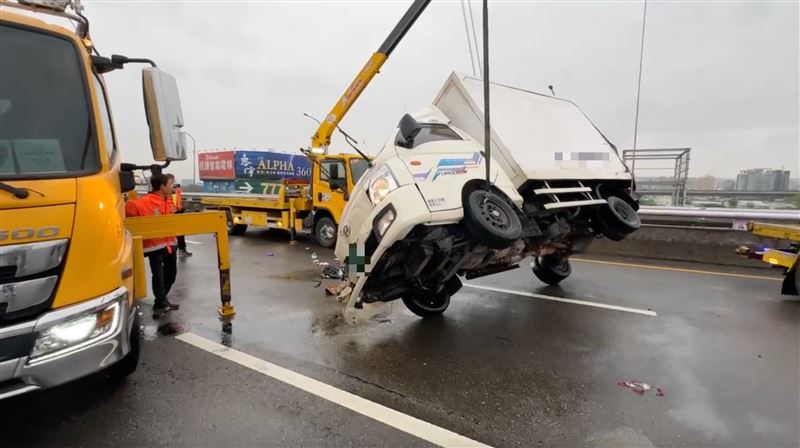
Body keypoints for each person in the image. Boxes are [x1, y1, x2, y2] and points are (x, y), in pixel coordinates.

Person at [125, 173, 180, 317]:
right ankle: (159, 304)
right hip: (154, 245)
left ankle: (162, 300)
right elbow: (126, 211)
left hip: (170, 244)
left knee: (171, 275)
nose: (172, 187)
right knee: (158, 277)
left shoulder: (169, 201)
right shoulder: (143, 202)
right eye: (170, 184)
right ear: (162, 187)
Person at [166, 173, 192, 257]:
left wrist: (182, 208)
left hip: (178, 211)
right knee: (176, 233)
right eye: (171, 180)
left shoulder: (176, 187)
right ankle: (176, 250)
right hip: (171, 213)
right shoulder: (165, 189)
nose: (173, 182)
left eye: (173, 180)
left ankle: (181, 249)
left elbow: (178, 198)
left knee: (180, 232)